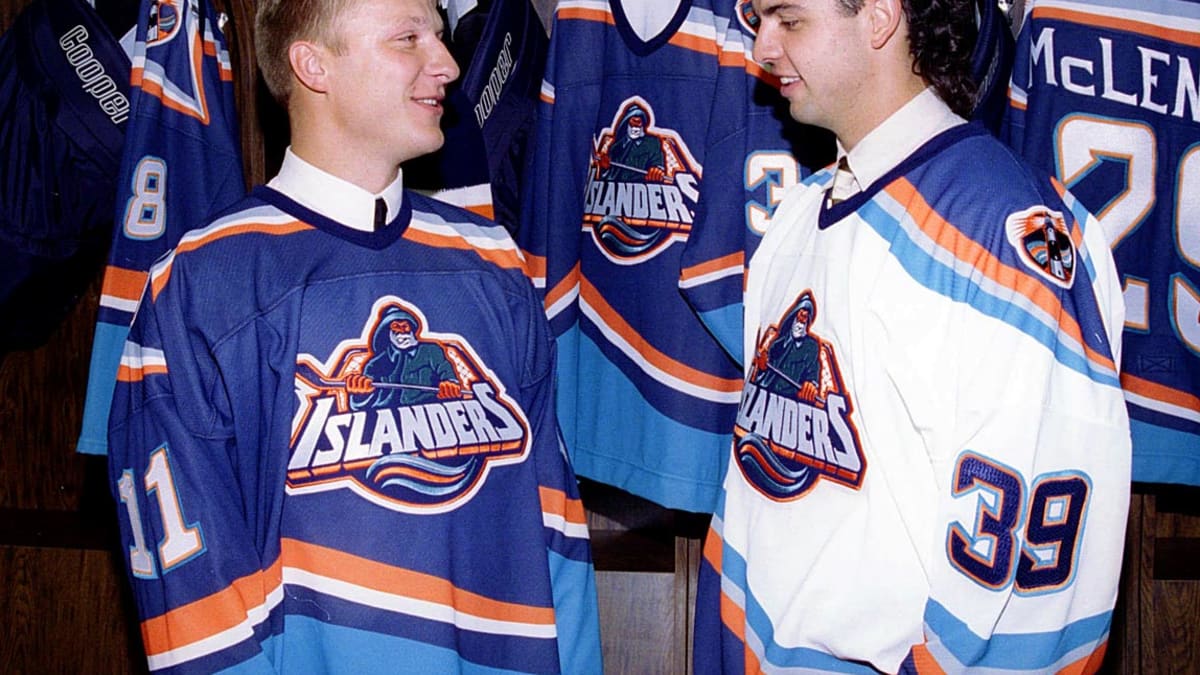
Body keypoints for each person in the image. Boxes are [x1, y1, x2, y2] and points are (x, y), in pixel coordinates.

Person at [106, 0, 602, 672]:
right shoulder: (199, 283)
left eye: (439, 34)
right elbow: (193, 595)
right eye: (408, 38)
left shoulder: (494, 259)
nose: (448, 63)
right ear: (313, 66)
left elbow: (556, 525)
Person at [693, 0, 1132, 672]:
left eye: (789, 19)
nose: (762, 50)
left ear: (878, 17)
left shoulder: (1006, 230)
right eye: (758, 20)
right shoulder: (800, 212)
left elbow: (1039, 592)